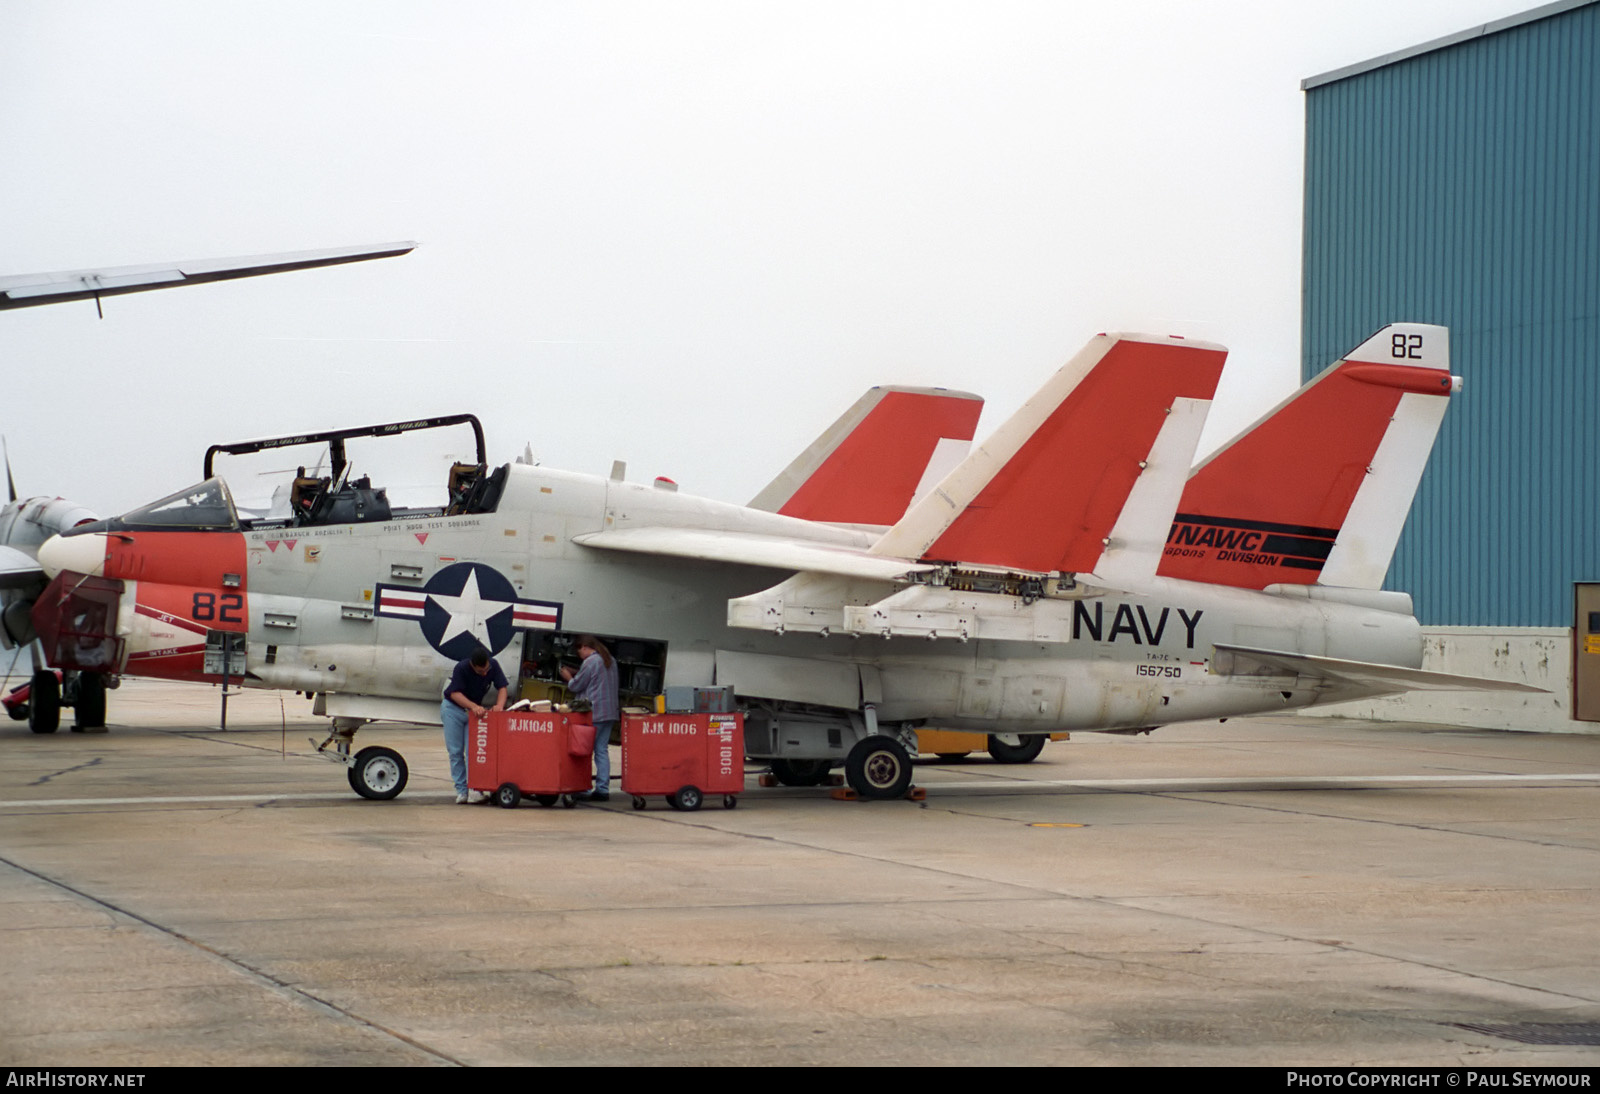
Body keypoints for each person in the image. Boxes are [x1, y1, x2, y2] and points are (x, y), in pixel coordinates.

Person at [441, 647, 508, 804]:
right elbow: (454, 693)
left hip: (474, 712)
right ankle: (462, 790)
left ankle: (475, 788)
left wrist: (499, 705)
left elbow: (502, 687)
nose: (484, 674)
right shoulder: (462, 668)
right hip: (454, 709)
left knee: (474, 751)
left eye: (486, 670)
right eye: (480, 672)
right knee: (455, 751)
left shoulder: (493, 665)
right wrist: (473, 706)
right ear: (473, 666)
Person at [560, 634, 619, 802]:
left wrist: (568, 676)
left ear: (585, 647)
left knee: (584, 751)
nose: (580, 656)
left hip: (594, 712)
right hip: (609, 712)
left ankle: (583, 787)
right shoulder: (610, 660)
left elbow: (576, 685)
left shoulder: (590, 662)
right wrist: (578, 672)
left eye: (579, 653)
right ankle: (602, 789)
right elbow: (596, 679)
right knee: (601, 750)